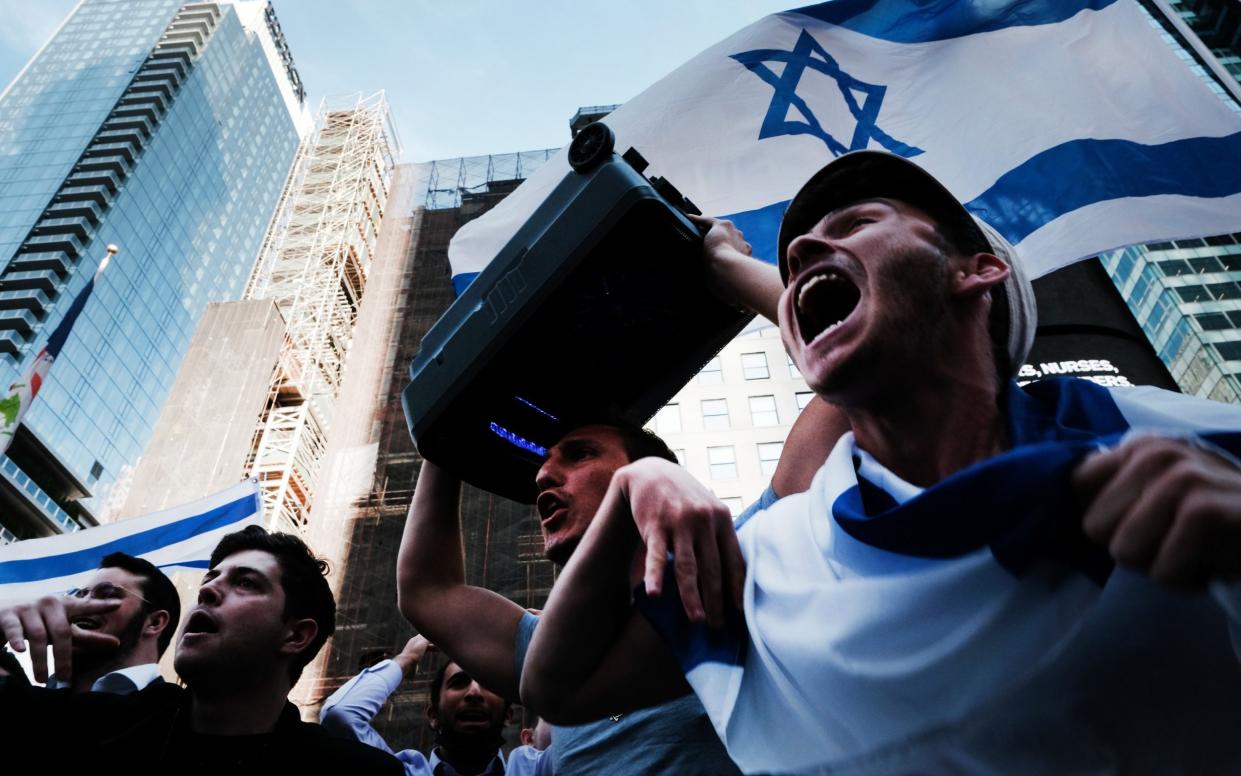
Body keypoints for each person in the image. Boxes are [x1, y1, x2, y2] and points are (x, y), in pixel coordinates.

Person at [520, 150, 1241, 774]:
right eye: (796, 250)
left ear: (977, 271)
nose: (801, 250)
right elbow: (559, 687)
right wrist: (630, 486)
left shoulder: (1126, 427)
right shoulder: (775, 558)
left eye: (857, 222)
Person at [399, 246, 846, 773]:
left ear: (654, 474)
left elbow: (855, 371)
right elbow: (427, 590)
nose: (544, 473)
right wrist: (453, 414)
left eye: (580, 454)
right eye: (544, 463)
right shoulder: (553, 647)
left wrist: (723, 266)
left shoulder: (751, 556)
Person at [0, 525, 402, 775]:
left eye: (246, 583)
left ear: (296, 636)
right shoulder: (98, 728)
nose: (207, 589)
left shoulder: (355, 772)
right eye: (211, 577)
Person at [322, 635, 511, 776]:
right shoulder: (402, 772)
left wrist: (540, 640)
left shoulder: (534, 767)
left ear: (509, 715)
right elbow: (341, 716)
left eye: (488, 683)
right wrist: (407, 658)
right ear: (433, 716)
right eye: (458, 683)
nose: (474, 693)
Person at [1, 552, 180, 693]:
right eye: (79, 595)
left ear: (155, 622)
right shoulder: (21, 701)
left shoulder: (175, 716)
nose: (83, 603)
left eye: (108, 594)